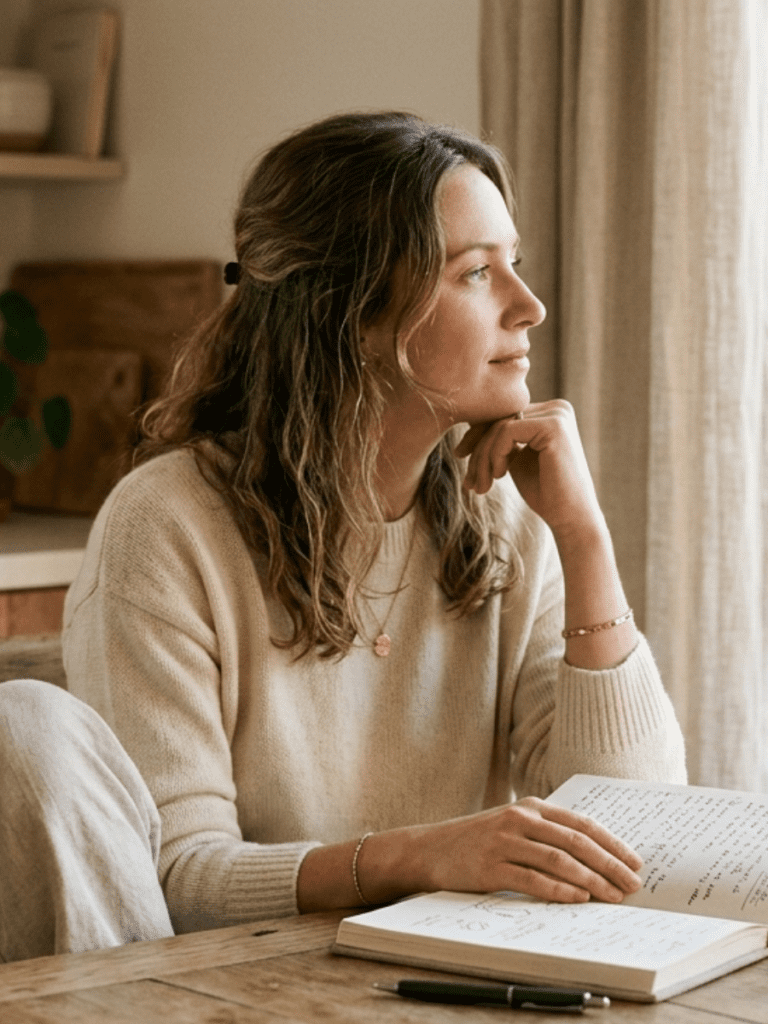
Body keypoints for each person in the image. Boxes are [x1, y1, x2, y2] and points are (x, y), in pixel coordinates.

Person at [0, 111, 686, 962]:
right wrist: (418, 856)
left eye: (518, 264)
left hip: (431, 988)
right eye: (478, 273)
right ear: (354, 314)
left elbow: (633, 836)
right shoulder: (166, 525)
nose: (530, 306)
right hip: (224, 989)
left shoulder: (508, 521)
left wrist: (585, 539)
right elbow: (172, 878)